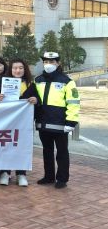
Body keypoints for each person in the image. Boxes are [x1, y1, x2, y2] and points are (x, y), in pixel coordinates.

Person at [34, 51, 80, 189]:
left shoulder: (67, 81)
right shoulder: (38, 80)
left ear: (58, 63)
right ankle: (49, 176)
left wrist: (71, 121)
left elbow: (73, 102)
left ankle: (62, 179)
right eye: (46, 62)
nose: (48, 64)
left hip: (60, 124)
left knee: (62, 152)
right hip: (43, 122)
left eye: (52, 61)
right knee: (47, 151)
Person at [0, 58, 39, 187]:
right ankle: (5, 172)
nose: (18, 70)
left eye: (20, 68)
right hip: (7, 122)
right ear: (10, 69)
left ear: (25, 70)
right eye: (15, 68)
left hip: (24, 123)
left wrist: (35, 100)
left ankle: (21, 174)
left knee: (22, 147)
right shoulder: (2, 83)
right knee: (5, 146)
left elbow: (39, 101)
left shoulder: (31, 84)